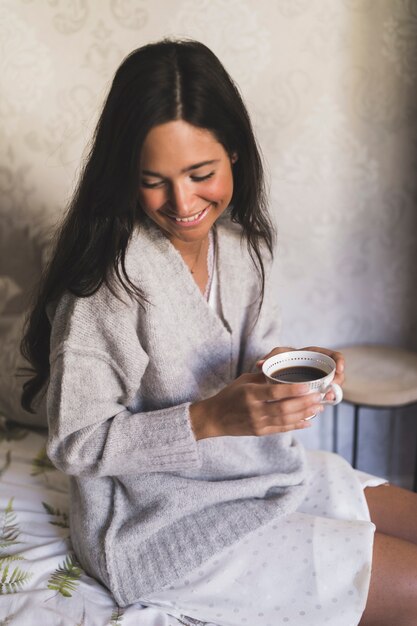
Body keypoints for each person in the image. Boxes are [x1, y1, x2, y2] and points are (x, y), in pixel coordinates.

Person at [20, 38, 417, 626]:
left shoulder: (244, 249)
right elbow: (75, 442)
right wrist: (208, 419)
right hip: (155, 523)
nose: (182, 203)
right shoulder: (107, 284)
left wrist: (288, 371)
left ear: (232, 152)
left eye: (200, 174)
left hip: (257, 471)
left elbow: (248, 366)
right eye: (153, 180)